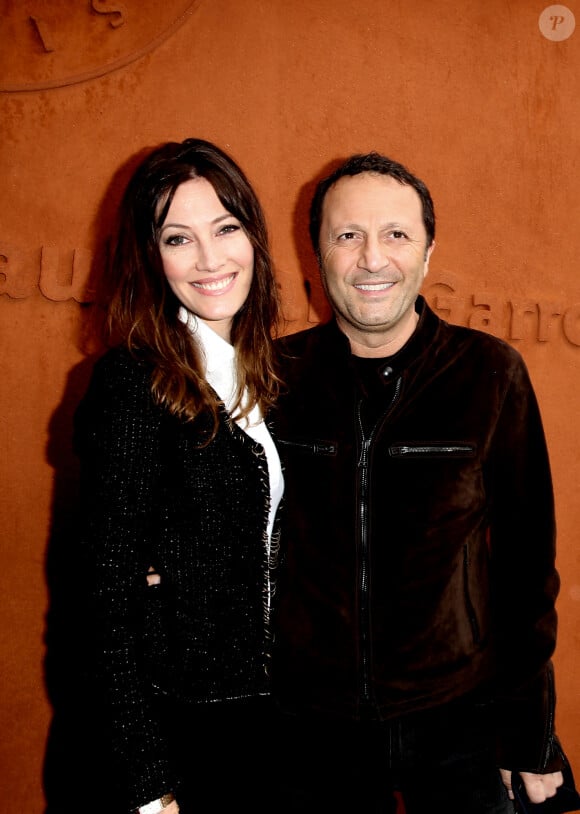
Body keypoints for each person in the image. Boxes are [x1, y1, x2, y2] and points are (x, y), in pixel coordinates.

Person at [270, 152, 579, 813]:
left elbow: (526, 569)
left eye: (396, 235)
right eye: (347, 235)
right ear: (317, 252)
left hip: (457, 720)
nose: (371, 259)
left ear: (429, 253)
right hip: (307, 728)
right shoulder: (273, 379)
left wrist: (528, 736)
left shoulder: (490, 373)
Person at [73, 138, 283, 814]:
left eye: (226, 228)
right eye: (178, 238)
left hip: (261, 723)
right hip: (178, 726)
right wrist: (146, 783)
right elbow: (103, 601)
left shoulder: (269, 379)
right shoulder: (132, 383)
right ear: (149, 254)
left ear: (253, 234)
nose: (210, 259)